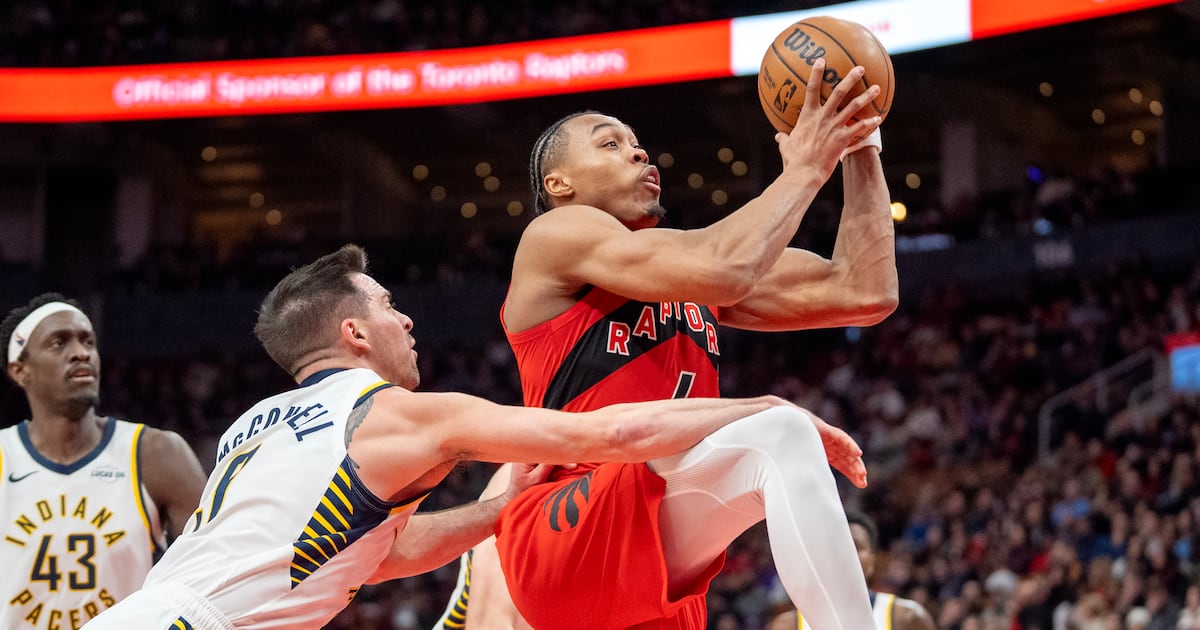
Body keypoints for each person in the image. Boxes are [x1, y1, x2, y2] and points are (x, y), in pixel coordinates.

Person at [80, 244, 849, 629]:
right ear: (353, 332)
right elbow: (614, 429)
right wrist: (766, 406)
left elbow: (390, 555)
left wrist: (493, 511)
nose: (406, 318)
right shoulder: (400, 414)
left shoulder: (253, 426)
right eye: (386, 305)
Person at [443, 58, 899, 629]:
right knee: (780, 433)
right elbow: (724, 267)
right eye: (610, 144)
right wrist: (806, 167)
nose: (640, 154)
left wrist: (860, 142)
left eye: (637, 144)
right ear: (560, 185)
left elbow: (865, 289)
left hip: (660, 551)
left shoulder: (685, 272)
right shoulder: (555, 235)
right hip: (573, 525)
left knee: (776, 439)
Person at [0, 293, 208, 628]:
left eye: (88, 341)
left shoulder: (155, 454)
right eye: (58, 343)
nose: (81, 353)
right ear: (20, 370)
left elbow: (217, 574)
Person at [766, 510, 937, 630]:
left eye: (855, 545)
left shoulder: (907, 618)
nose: (846, 554)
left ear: (873, 560)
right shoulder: (789, 625)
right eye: (837, 545)